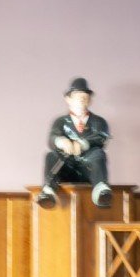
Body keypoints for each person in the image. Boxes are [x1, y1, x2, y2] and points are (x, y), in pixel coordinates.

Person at [37, 77, 112, 208]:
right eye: (77, 95)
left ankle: (100, 189)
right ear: (68, 99)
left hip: (89, 168)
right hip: (66, 167)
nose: (81, 99)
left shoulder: (99, 121)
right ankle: (48, 190)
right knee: (52, 156)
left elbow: (101, 137)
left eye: (85, 96)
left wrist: (83, 144)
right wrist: (61, 141)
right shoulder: (60, 122)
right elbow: (52, 138)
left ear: (90, 99)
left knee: (98, 153)